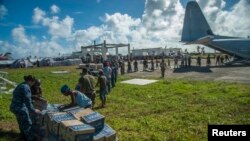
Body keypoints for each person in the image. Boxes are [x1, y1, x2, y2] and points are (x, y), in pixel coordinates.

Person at [10, 75, 41, 141]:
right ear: (30, 81)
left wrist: (32, 98)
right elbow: (28, 102)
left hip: (14, 107)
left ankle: (23, 136)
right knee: (27, 124)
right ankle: (30, 139)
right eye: (33, 83)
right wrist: (34, 110)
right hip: (20, 108)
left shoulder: (21, 84)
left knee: (21, 122)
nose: (33, 85)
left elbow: (23, 97)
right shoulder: (26, 87)